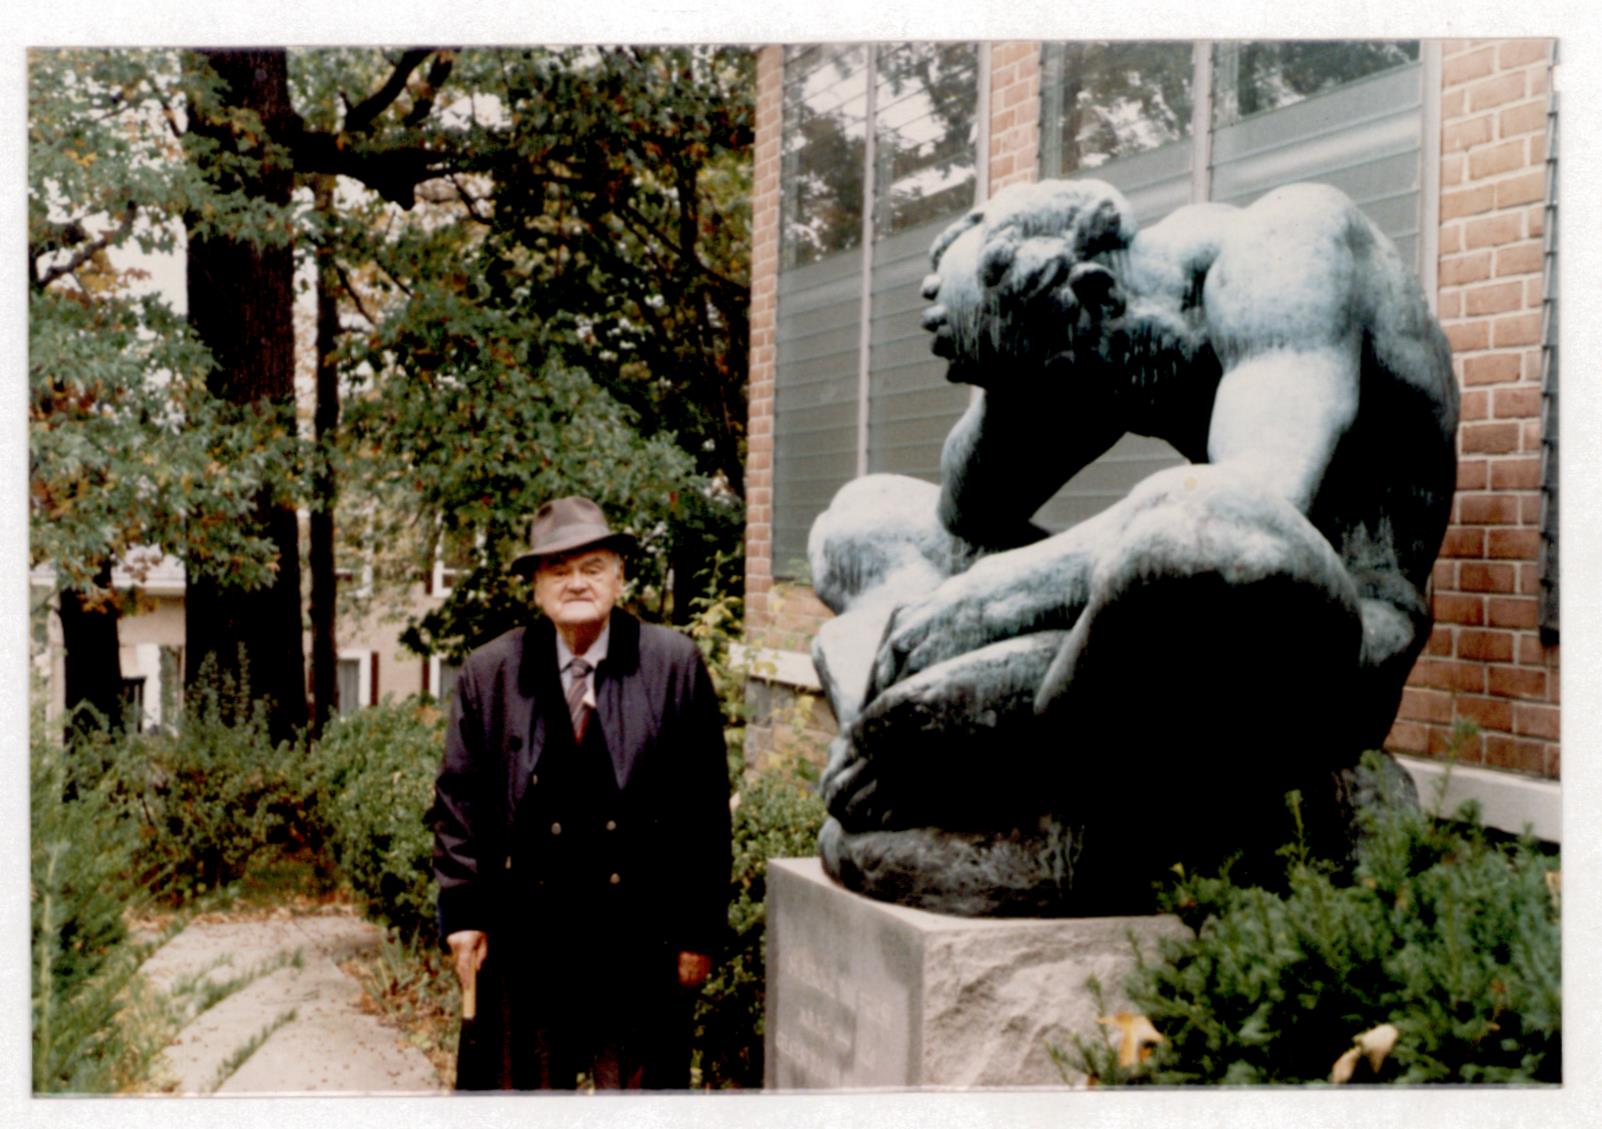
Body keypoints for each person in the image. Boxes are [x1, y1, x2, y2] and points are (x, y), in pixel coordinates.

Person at [808, 178, 1457, 914]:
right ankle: (923, 735)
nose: (1054, 404)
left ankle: (1056, 824)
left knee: (1192, 522)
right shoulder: (1101, 334)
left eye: (1053, 372)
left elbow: (1260, 498)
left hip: (1326, 646)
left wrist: (985, 600)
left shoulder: (1285, 251)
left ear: (1095, 292)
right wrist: (996, 358)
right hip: (1149, 635)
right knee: (859, 525)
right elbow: (968, 512)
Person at [430, 495, 731, 1089]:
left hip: (640, 943)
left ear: (619, 577)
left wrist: (698, 934)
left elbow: (704, 813)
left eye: (592, 567)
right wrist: (463, 914)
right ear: (536, 587)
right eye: (558, 570)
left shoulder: (674, 665)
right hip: (527, 941)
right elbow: (459, 803)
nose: (576, 584)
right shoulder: (489, 673)